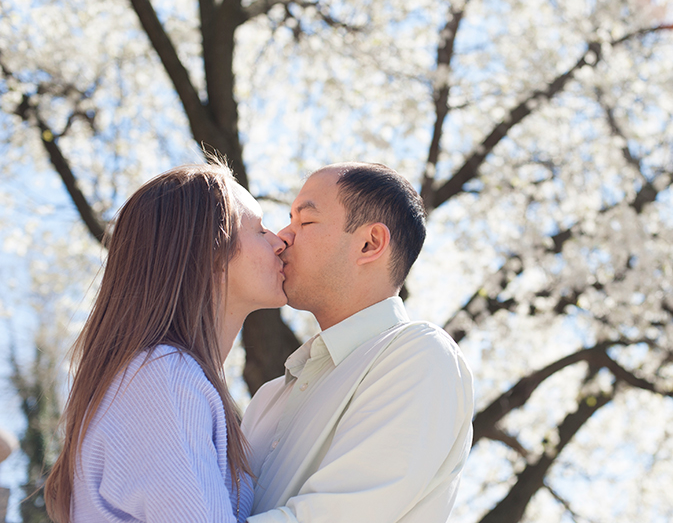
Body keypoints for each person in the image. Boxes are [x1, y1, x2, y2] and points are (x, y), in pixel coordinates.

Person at [44, 162, 287, 523]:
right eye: (259, 230)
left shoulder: (163, 377)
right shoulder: (164, 377)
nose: (280, 241)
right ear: (212, 252)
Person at [242, 162, 475, 523]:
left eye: (305, 221)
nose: (282, 236)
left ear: (369, 243)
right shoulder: (267, 400)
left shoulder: (420, 356)